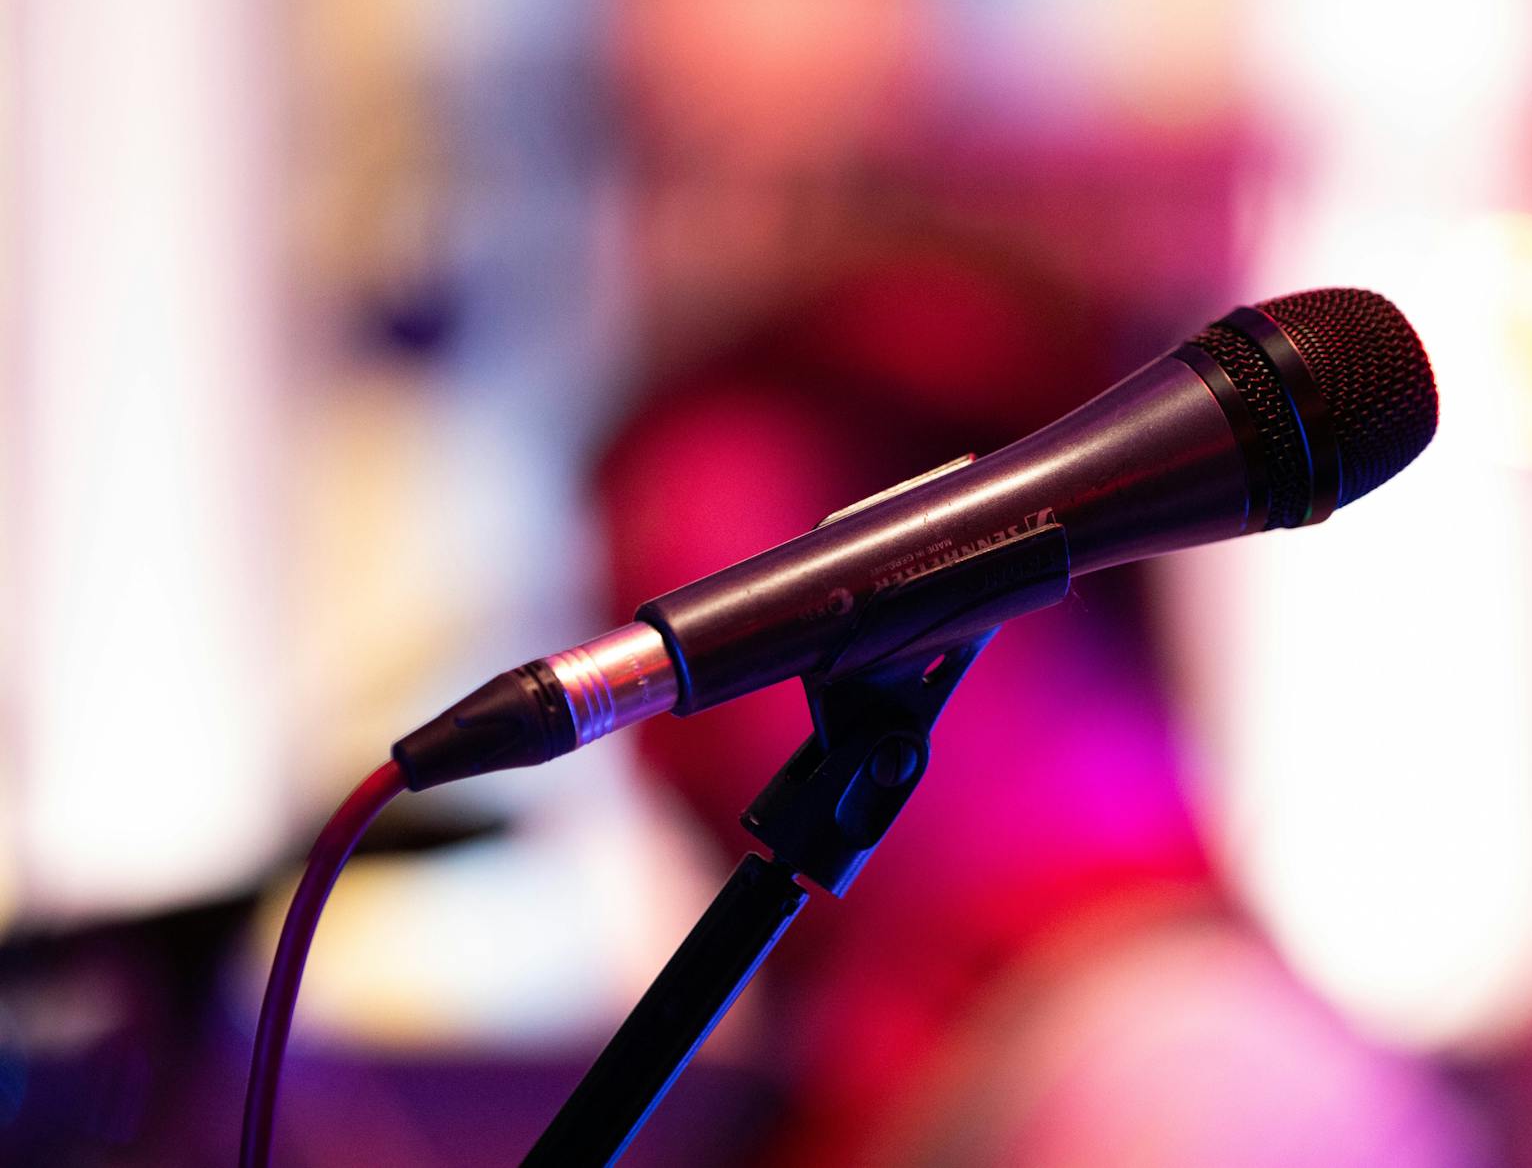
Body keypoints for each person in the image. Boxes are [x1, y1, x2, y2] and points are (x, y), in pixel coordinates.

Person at [591, 238, 1484, 1167]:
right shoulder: (918, 1040)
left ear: (996, 606)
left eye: (737, 658)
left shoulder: (1197, 1077)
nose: (657, 746)